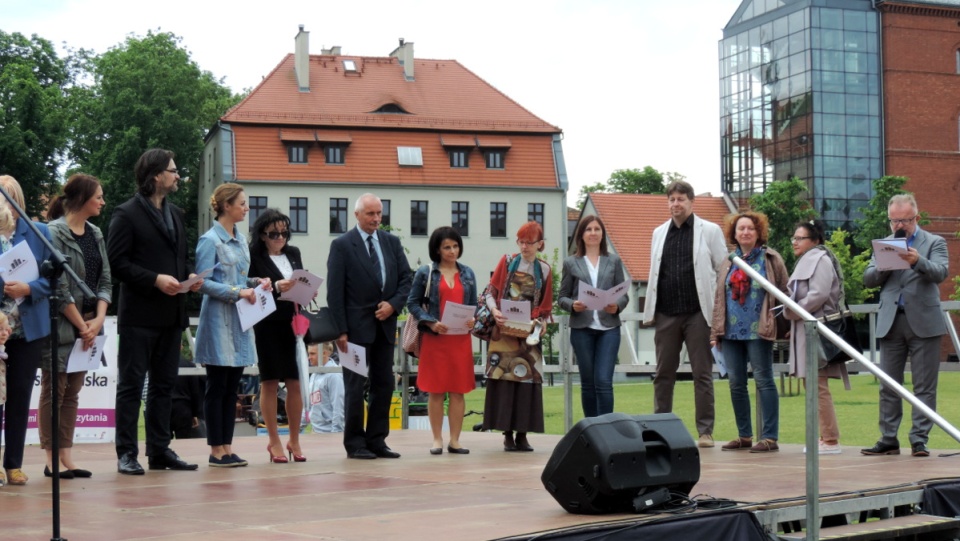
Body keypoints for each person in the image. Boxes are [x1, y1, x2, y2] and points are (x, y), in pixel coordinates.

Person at [107, 148, 202, 475]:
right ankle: (127, 453)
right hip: (139, 316)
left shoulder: (175, 213)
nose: (178, 176)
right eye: (173, 171)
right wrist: (155, 280)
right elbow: (117, 263)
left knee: (165, 385)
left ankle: (159, 450)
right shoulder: (126, 214)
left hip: (172, 315)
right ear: (155, 175)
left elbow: (182, 257)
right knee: (132, 386)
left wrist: (189, 275)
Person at [862, 194, 949, 458]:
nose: (900, 225)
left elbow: (941, 272)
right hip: (892, 322)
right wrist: (885, 266)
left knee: (924, 386)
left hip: (924, 322)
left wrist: (916, 261)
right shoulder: (884, 245)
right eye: (894, 220)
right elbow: (867, 279)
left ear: (917, 218)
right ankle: (888, 439)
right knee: (889, 385)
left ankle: (919, 440)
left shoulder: (935, 242)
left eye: (905, 220)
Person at [642, 180, 727, 448]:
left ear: (691, 202)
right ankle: (660, 429)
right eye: (672, 199)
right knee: (663, 373)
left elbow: (722, 269)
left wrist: (717, 314)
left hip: (698, 313)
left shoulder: (710, 231)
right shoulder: (658, 233)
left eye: (681, 199)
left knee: (702, 373)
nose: (676, 204)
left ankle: (705, 431)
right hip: (666, 313)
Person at [327, 193, 412, 459]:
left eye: (379, 214)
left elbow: (406, 279)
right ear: (357, 215)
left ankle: (377, 440)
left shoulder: (391, 242)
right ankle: (355, 444)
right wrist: (339, 330)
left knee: (384, 384)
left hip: (384, 327)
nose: (376, 219)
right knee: (354, 387)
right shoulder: (342, 245)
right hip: (353, 330)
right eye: (370, 214)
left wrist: (393, 305)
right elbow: (334, 291)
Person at [40, 173, 111, 479]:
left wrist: (98, 319)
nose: (103, 202)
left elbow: (105, 279)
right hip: (64, 325)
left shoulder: (95, 233)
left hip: (89, 325)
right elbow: (60, 287)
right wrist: (84, 325)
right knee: (54, 391)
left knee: (73, 393)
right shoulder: (53, 233)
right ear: (82, 199)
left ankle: (67, 456)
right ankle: (50, 458)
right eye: (99, 196)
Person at [194, 183, 270, 467]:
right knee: (217, 386)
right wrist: (238, 292)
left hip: (239, 323)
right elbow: (202, 283)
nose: (246, 208)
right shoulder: (209, 240)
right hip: (217, 323)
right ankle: (216, 450)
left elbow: (240, 280)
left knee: (231, 388)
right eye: (242, 203)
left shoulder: (239, 241)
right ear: (226, 206)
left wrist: (256, 283)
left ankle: (227, 446)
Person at [710, 212, 788, 453]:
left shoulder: (770, 258)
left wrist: (783, 326)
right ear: (734, 233)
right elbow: (719, 298)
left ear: (758, 233)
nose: (745, 232)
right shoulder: (728, 261)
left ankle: (769, 437)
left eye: (750, 229)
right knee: (736, 383)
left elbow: (785, 292)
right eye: (741, 229)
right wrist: (716, 331)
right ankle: (744, 435)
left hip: (759, 329)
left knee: (764, 380)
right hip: (731, 331)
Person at [480, 221, 553, 452]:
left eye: (529, 243)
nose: (524, 247)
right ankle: (507, 435)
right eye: (521, 242)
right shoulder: (508, 261)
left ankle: (523, 435)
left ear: (540, 244)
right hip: (504, 330)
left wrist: (541, 323)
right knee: (504, 380)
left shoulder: (545, 270)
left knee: (528, 380)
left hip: (528, 334)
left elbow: (545, 308)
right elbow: (490, 292)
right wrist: (495, 312)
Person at [0, 175, 53, 487]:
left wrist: (28, 287)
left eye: (8, 197)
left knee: (20, 397)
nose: (4, 203)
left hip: (27, 329)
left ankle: (14, 464)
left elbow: (53, 278)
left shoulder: (38, 231)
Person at [407, 226, 478, 455]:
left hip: (460, 339)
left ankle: (455, 440)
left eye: (455, 246)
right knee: (436, 391)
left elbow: (474, 305)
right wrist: (429, 322)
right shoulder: (425, 273)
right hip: (436, 338)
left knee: (458, 391)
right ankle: (437, 439)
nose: (452, 251)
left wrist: (472, 319)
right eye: (446, 247)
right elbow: (413, 303)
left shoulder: (468, 273)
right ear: (437, 249)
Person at [784, 220, 850, 455]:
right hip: (807, 328)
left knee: (817, 384)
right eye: (794, 238)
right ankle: (824, 437)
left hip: (817, 330)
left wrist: (793, 309)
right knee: (812, 383)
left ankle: (830, 440)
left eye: (799, 238)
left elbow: (819, 294)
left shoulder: (819, 259)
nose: (794, 242)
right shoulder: (807, 260)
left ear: (815, 241)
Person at [248, 208, 307, 463]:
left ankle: (294, 439)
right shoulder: (253, 256)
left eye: (284, 233)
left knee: (295, 382)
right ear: (262, 234)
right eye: (274, 234)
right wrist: (274, 287)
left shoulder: (293, 254)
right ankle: (273, 441)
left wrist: (306, 290)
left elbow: (300, 282)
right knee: (269, 381)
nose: (280, 238)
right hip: (267, 323)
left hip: (293, 323)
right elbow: (249, 286)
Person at [558, 216, 628, 417]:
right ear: (581, 234)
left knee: (604, 381)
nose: (593, 233)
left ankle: (607, 428)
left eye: (597, 229)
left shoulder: (613, 261)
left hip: (609, 328)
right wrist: (573, 305)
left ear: (602, 233)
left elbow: (623, 294)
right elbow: (562, 297)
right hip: (582, 329)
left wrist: (618, 306)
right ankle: (591, 428)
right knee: (588, 382)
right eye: (588, 229)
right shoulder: (571, 262)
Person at [304, 342, 344, 433]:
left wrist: (336, 434)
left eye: (312, 353)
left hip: (329, 432)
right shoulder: (314, 374)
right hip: (316, 431)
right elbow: (308, 405)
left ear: (324, 353)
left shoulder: (334, 376)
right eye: (309, 353)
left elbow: (339, 408)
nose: (309, 357)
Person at [171, 353, 205, 440]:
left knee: (164, 441)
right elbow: (195, 392)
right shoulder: (189, 365)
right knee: (184, 440)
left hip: (164, 406)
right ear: (181, 347)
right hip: (183, 407)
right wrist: (195, 414)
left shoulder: (160, 363)